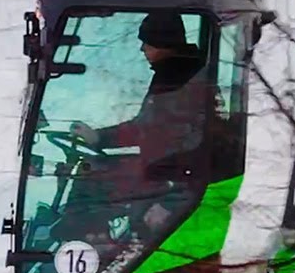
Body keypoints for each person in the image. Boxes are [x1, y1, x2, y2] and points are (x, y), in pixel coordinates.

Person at [70, 10, 212, 188]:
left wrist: (170, 202)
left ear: (162, 44)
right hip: (160, 172)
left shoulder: (182, 81)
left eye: (147, 43)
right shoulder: (172, 74)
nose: (142, 48)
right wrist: (99, 137)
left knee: (90, 184)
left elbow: (177, 140)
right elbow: (147, 127)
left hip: (169, 180)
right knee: (91, 172)